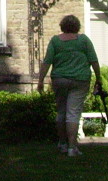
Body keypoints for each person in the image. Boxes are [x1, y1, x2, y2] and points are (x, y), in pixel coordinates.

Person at [37, 14, 103, 157]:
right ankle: (72, 148)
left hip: (60, 80)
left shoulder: (55, 41)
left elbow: (47, 61)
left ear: (62, 26)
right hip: (80, 80)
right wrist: (99, 79)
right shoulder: (84, 41)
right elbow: (94, 60)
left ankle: (62, 144)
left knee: (61, 111)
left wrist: (40, 80)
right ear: (77, 27)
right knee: (73, 113)